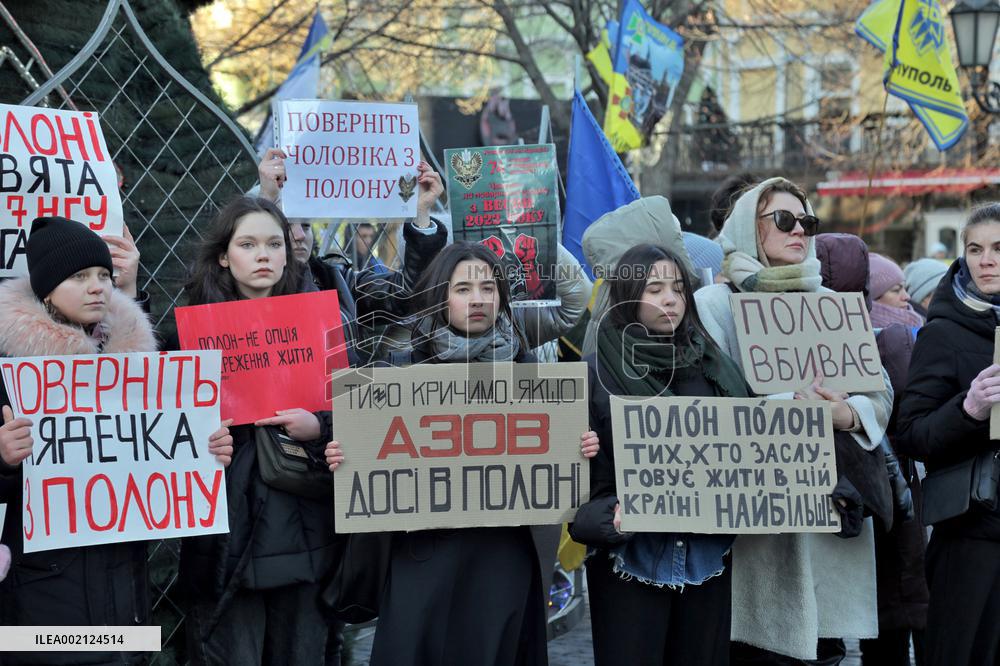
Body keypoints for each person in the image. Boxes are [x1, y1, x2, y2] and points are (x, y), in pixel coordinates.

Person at [324, 242, 599, 666]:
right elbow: (371, 454)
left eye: (488, 288)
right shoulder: (402, 368)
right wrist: (347, 454)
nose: (478, 299)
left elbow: (554, 458)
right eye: (463, 289)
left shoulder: (527, 370)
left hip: (503, 557)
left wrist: (580, 447)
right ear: (441, 295)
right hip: (423, 556)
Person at [0, 216, 233, 666]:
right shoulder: (10, 369)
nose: (97, 287)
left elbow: (160, 460)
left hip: (124, 591)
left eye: (104, 275)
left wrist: (207, 450)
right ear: (46, 289)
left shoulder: (141, 369)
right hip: (43, 600)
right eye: (79, 277)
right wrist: (4, 459)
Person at [694, 177, 892, 663]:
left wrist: (845, 413)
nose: (799, 230)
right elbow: (710, 404)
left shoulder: (833, 303)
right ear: (749, 226)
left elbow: (880, 391)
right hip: (762, 518)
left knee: (823, 644)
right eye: (784, 220)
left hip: (829, 508)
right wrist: (790, 406)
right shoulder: (714, 305)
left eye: (807, 221)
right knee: (763, 643)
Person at [570, 243, 750, 666]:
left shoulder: (715, 368)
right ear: (628, 296)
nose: (670, 299)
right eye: (654, 289)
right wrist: (605, 506)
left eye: (678, 288)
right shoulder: (594, 373)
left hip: (706, 560)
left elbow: (752, 449)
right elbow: (573, 491)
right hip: (628, 558)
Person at [177, 197, 335, 665]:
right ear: (224, 256)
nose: (263, 255)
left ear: (289, 252)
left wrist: (318, 426)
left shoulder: (321, 327)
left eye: (273, 243)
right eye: (247, 244)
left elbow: (360, 417)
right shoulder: (188, 338)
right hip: (226, 544)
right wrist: (201, 444)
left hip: (308, 539)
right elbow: (158, 437)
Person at [816, 234, 928, 666]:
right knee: (889, 623)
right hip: (885, 500)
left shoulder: (895, 337)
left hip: (844, 498)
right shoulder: (899, 338)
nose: (905, 298)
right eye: (894, 289)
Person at [896, 203, 1000, 666]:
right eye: (975, 249)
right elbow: (912, 434)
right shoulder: (943, 332)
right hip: (974, 534)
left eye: (998, 248)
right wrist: (969, 408)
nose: (986, 260)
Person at [869, 253, 924, 328]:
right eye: (896, 290)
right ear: (872, 298)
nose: (907, 297)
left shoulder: (916, 327)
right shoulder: (859, 334)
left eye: (905, 289)